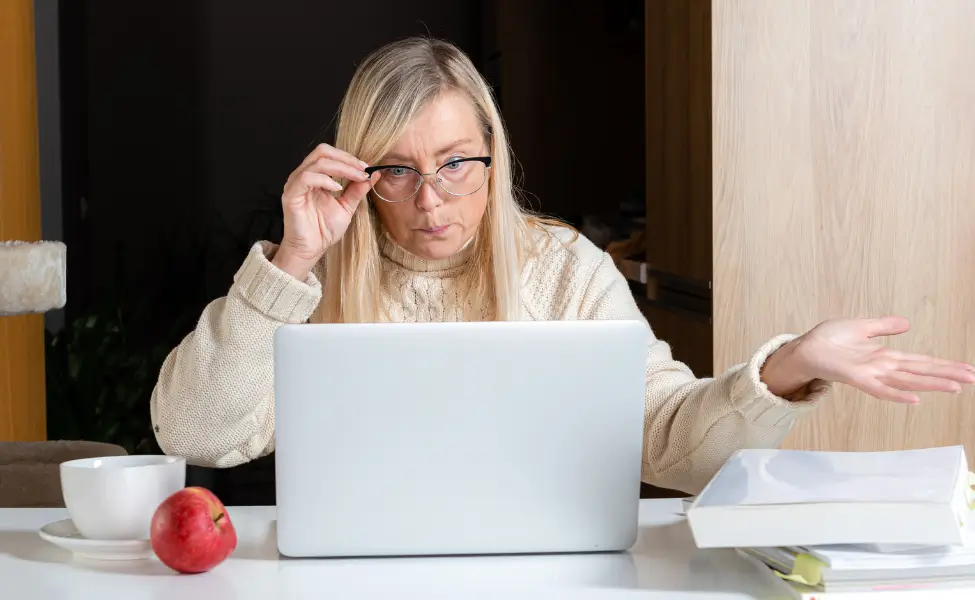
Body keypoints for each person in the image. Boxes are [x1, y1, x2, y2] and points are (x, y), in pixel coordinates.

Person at [149, 37, 975, 495]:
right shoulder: (311, 278)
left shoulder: (561, 266)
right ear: (359, 173)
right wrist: (290, 260)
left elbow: (669, 446)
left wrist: (785, 367)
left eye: (455, 163)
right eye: (396, 170)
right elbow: (196, 436)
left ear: (492, 155)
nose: (430, 200)